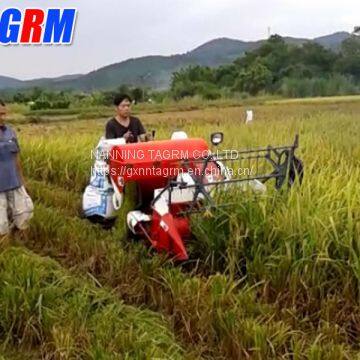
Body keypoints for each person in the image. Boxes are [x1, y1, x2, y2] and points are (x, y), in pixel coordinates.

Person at [0, 100, 33, 237]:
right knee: (1, 224)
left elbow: (16, 157)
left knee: (25, 212)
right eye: (0, 114)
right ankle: (6, 250)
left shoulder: (10, 132)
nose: (2, 117)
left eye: (3, 113)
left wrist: (22, 180)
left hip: (14, 181)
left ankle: (22, 245)